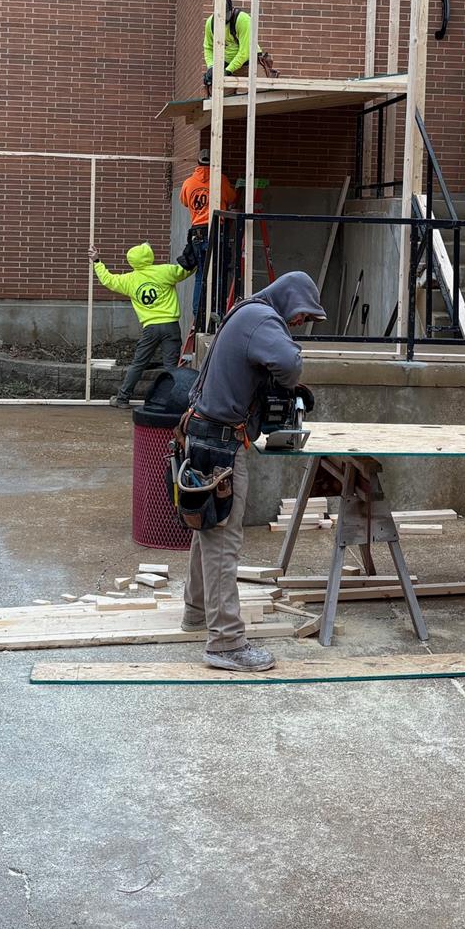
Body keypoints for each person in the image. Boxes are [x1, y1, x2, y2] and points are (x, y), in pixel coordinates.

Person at [178, 270, 325, 672]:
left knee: (209, 527)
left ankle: (195, 610)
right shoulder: (263, 319)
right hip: (220, 445)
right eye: (303, 316)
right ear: (290, 300)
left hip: (207, 436)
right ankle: (225, 642)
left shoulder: (248, 313)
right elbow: (290, 364)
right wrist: (285, 382)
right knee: (224, 541)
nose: (301, 324)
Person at [90, 242, 189, 408]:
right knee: (171, 366)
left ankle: (122, 398)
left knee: (139, 363)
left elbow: (108, 280)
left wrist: (97, 261)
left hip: (150, 328)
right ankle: (173, 403)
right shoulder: (165, 271)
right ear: (150, 257)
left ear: (132, 261)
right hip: (171, 326)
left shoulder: (129, 280)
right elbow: (186, 270)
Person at [178, 149, 237, 330]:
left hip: (197, 232)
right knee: (218, 273)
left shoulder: (188, 182)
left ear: (198, 163)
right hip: (216, 229)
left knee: (201, 274)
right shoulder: (221, 179)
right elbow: (232, 197)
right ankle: (217, 311)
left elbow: (184, 201)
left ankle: (198, 312)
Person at [202, 0, 253, 94]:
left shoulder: (242, 20)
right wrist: (211, 66)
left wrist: (227, 71)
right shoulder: (210, 23)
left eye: (226, 15)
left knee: (249, 94)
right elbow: (208, 47)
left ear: (231, 9)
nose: (224, 19)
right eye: (220, 16)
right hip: (227, 66)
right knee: (215, 94)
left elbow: (245, 52)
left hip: (248, 65)